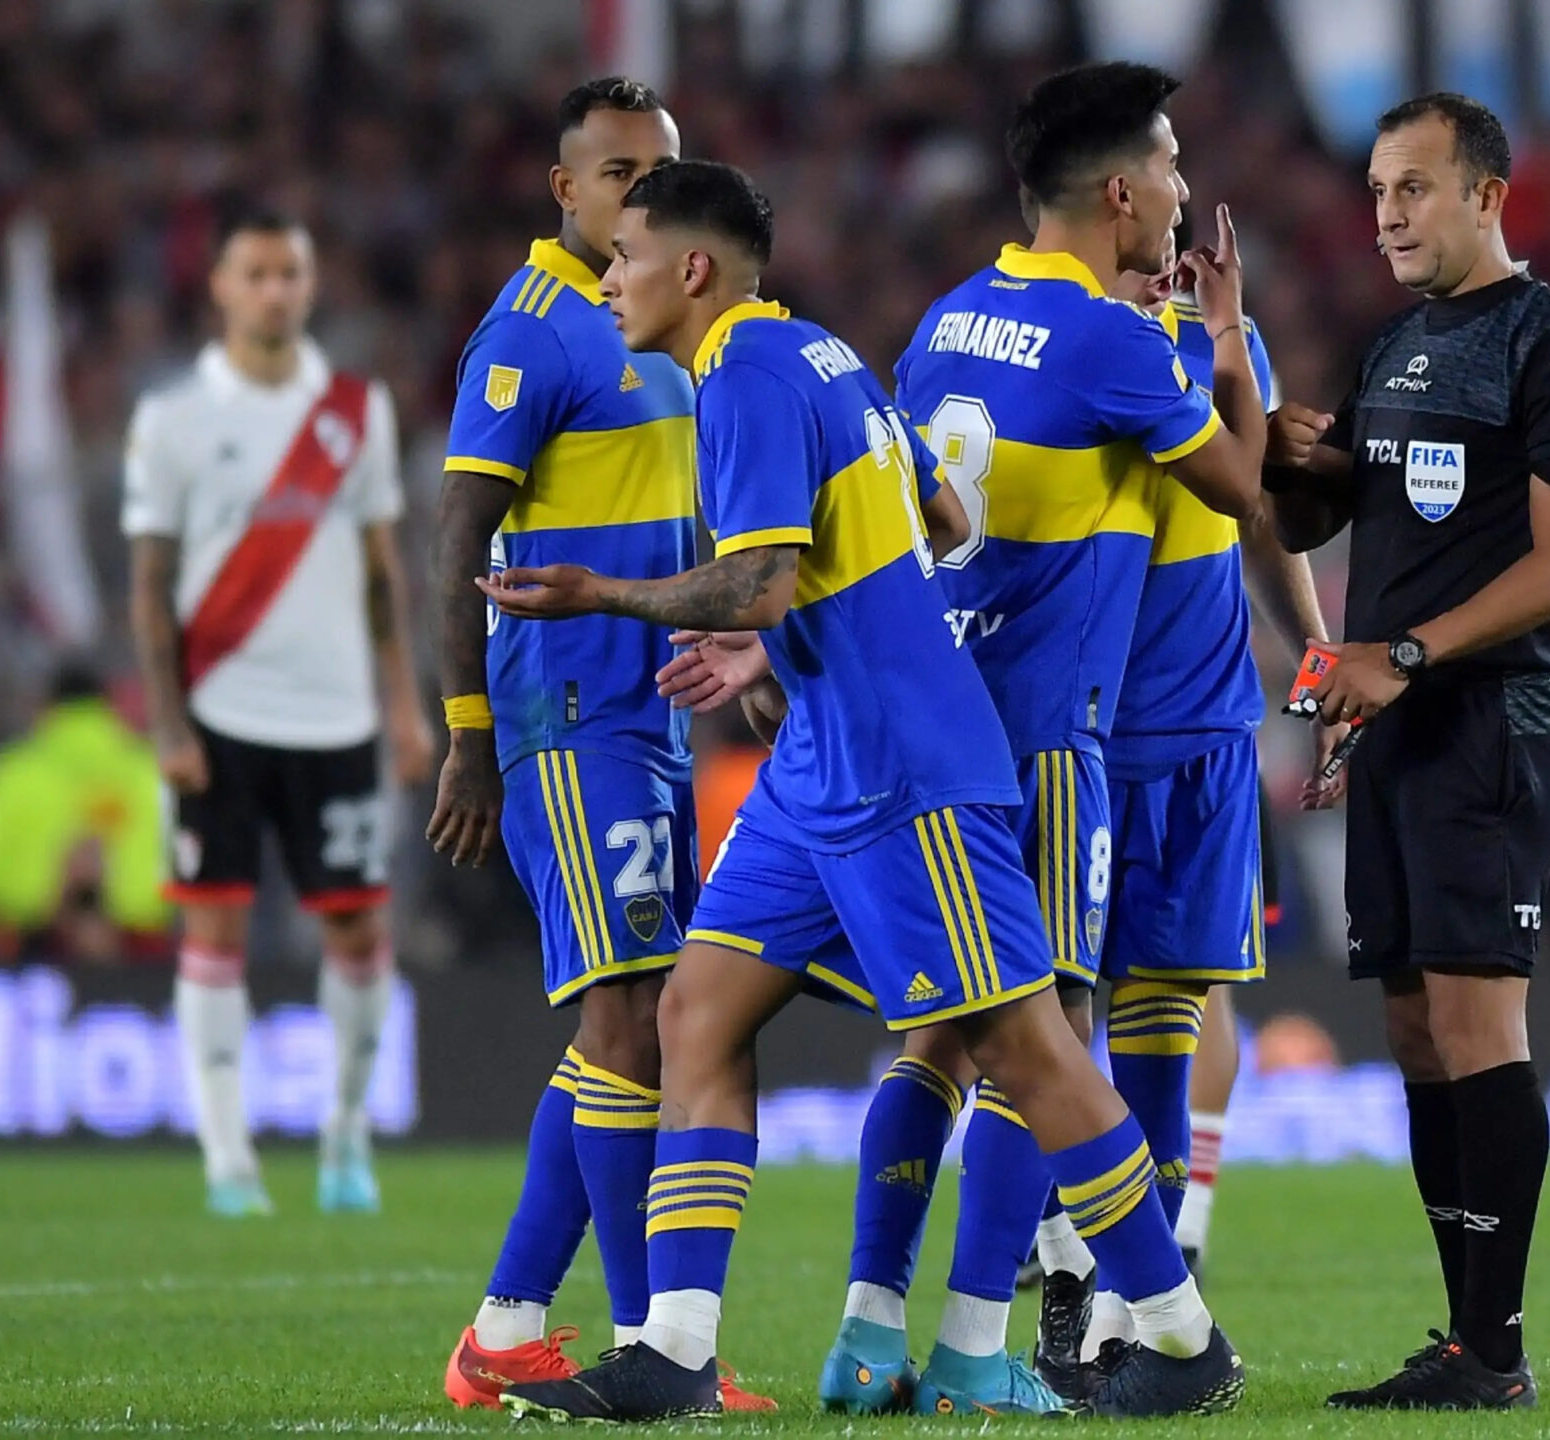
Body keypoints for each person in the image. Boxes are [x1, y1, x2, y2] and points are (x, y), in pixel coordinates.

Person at [488, 157, 1245, 1422]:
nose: (604, 277)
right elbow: (936, 517)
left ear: (692, 270)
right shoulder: (819, 354)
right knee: (696, 1012)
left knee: (1020, 1046)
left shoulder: (741, 379)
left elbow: (764, 581)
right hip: (818, 761)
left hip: (903, 764)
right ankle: (675, 1347)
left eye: (622, 255)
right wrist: (783, 641)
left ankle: (1180, 1335)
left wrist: (604, 594)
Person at [809, 62, 1271, 1417]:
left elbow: (906, 515)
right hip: (1053, 732)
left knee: (938, 1041)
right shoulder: (1117, 341)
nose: (1185, 191)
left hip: (931, 714)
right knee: (1051, 1032)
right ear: (1121, 190)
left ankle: (867, 1325)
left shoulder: (950, 319)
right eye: (1174, 166)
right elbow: (1242, 492)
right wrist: (1230, 347)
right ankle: (980, 1343)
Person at [1265, 93, 1550, 1411]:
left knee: (1477, 1021)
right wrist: (1282, 454)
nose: (1388, 215)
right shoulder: (1398, 347)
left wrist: (1403, 657)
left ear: (1488, 195)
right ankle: (1467, 1335)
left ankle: (1500, 1348)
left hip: (1490, 725)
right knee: (1416, 1026)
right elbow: (1329, 512)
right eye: (1376, 191)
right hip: (1399, 730)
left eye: (1414, 188)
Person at [423, 78, 768, 1414]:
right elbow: (457, 532)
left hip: (654, 716)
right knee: (630, 1016)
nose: (640, 189)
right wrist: (466, 732)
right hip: (566, 717)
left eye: (659, 168)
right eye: (616, 171)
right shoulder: (535, 333)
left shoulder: (665, 320)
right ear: (563, 189)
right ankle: (648, 1345)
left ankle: (511, 1323)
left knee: (632, 1023)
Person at [1029, 228, 1330, 1390]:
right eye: (1153, 201)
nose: (1171, 236)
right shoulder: (1063, 348)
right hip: (1082, 738)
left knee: (1178, 999)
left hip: (1207, 740)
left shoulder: (1229, 342)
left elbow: (1257, 515)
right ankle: (1061, 1252)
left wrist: (1314, 655)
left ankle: (1136, 1277)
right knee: (1044, 1007)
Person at [123, 206, 429, 1219]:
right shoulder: (172, 421)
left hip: (337, 715)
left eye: (290, 273)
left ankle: (344, 1136)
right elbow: (151, 583)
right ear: (218, 285)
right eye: (255, 273)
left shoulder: (355, 409)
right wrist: (166, 723)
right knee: (214, 930)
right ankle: (228, 1157)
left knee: (356, 929)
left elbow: (384, 567)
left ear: (310, 283)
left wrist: (403, 703)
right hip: (217, 714)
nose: (275, 291)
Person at [0, 661, 171, 960]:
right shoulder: (149, 770)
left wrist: (43, 894)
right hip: (141, 947)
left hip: (30, 946)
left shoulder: (11, 772)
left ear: (46, 707)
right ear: (108, 707)